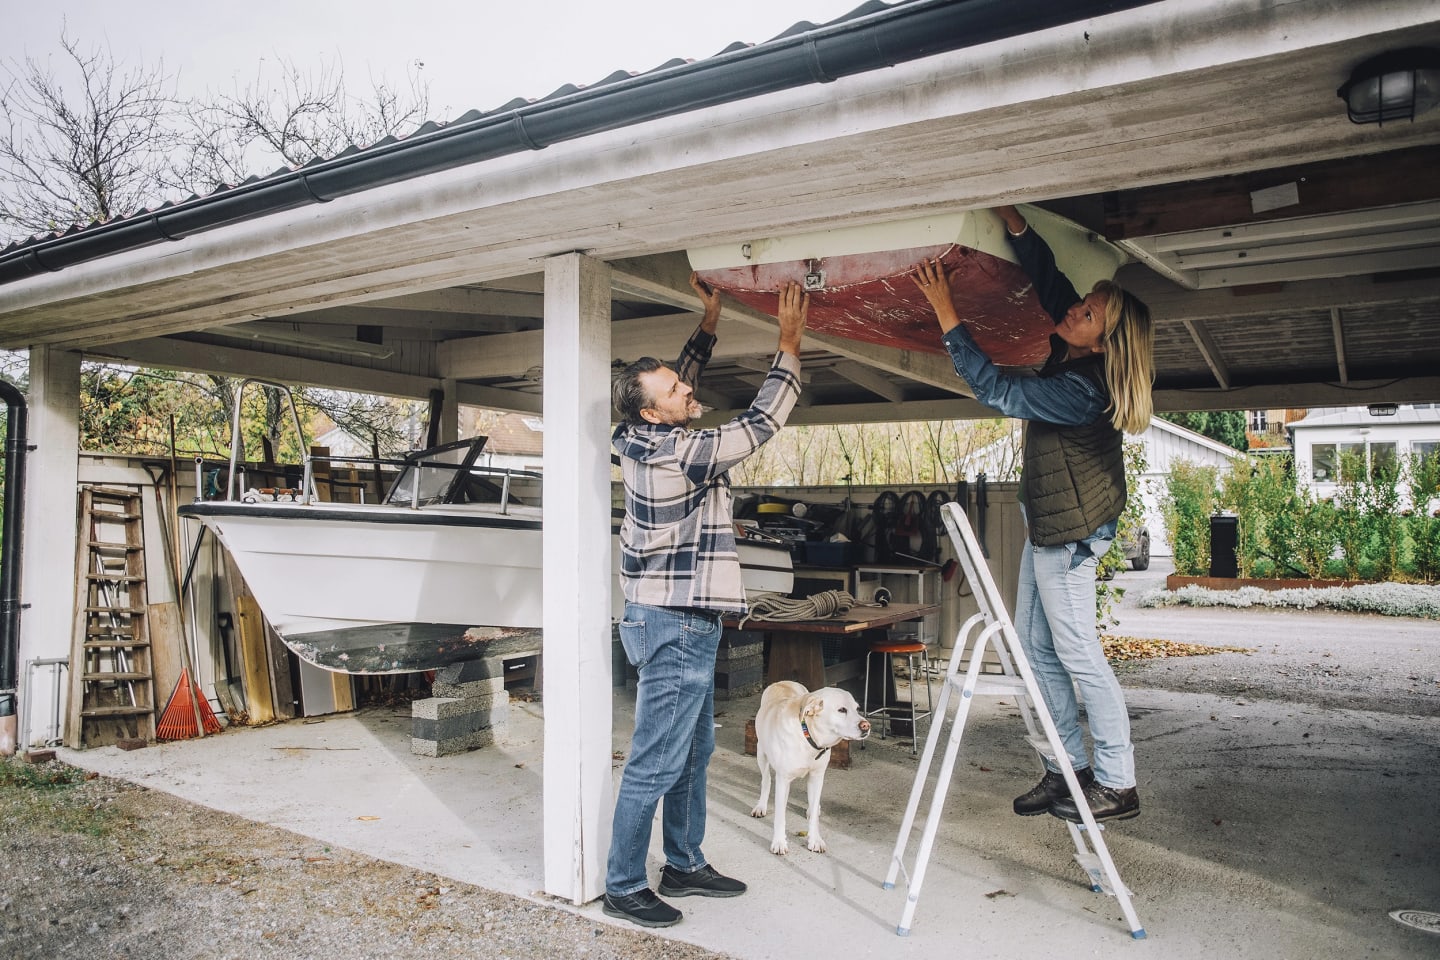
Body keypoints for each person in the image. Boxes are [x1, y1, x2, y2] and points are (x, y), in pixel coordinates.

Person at [910, 205, 1154, 823]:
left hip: (1070, 538)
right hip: (1050, 528)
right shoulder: (1080, 352)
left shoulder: (1084, 387)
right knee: (1037, 652)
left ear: (1104, 338)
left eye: (1089, 312)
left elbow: (996, 390)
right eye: (1085, 302)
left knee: (1078, 657)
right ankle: (1065, 769)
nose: (1076, 310)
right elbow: (1051, 287)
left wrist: (947, 312)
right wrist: (1013, 223)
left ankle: (1118, 783)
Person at [604, 273, 809, 928]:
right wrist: (789, 344)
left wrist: (710, 321)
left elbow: (677, 389)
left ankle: (686, 862)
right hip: (675, 623)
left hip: (681, 618)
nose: (686, 389)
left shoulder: (646, 433)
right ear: (652, 412)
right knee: (656, 758)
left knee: (694, 752)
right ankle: (623, 883)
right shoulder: (679, 454)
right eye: (672, 390)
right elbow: (759, 423)